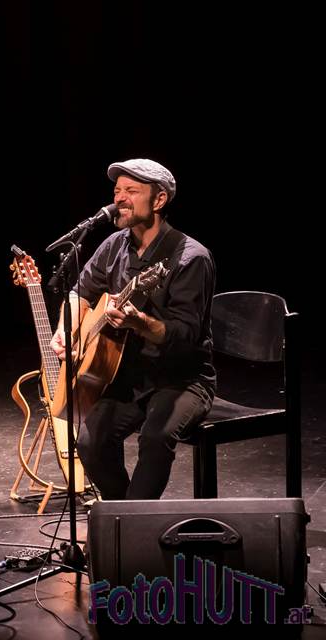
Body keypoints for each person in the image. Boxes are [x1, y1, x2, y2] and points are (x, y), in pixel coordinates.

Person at [49, 158, 216, 500]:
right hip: (129, 376)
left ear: (159, 200)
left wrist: (138, 322)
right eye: (117, 191)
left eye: (131, 191)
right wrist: (67, 330)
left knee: (155, 438)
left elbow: (184, 335)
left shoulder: (190, 258)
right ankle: (123, 514)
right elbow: (80, 292)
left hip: (182, 379)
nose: (119, 199)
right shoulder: (114, 245)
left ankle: (133, 522)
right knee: (90, 441)